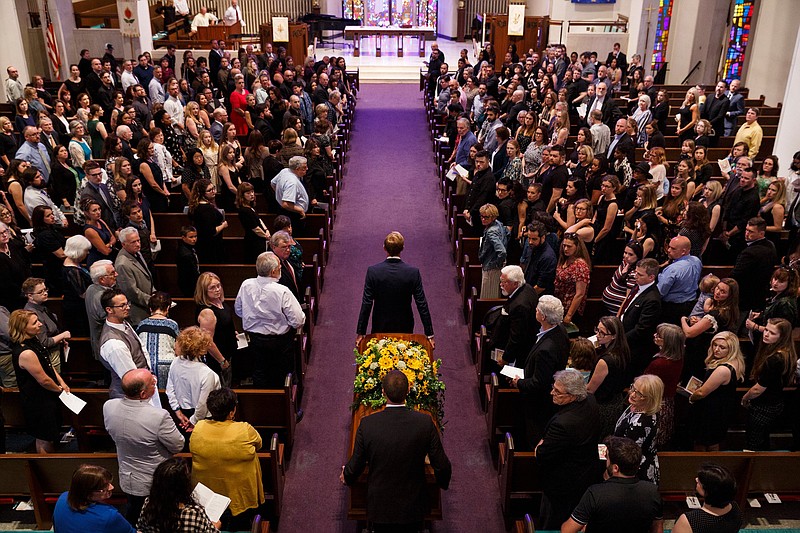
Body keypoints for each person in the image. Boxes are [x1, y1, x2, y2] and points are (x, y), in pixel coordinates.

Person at [342, 370, 451, 531]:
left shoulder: (367, 425)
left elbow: (356, 464)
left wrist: (347, 476)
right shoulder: (424, 423)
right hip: (413, 507)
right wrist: (442, 483)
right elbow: (442, 465)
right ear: (408, 391)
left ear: (383, 392)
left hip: (380, 508)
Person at [103, 368, 184, 525]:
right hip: (154, 481)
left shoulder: (109, 406)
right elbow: (178, 445)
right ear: (143, 394)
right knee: (156, 520)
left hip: (127, 477)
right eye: (152, 383)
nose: (155, 382)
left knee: (133, 513)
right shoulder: (158, 416)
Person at [534, 368, 602, 529]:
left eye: (557, 392)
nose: (552, 393)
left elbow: (541, 454)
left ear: (572, 396)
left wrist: (540, 445)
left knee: (553, 522)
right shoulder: (591, 401)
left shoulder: (563, 424)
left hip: (562, 484)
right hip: (584, 473)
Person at [191, 388, 264, 530]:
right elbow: (259, 444)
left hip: (208, 495)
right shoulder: (244, 430)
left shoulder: (199, 428)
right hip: (240, 495)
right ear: (232, 412)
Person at [562, 436, 663, 533]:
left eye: (608, 459)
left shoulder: (595, 493)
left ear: (615, 468)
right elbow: (657, 529)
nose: (606, 461)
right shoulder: (653, 492)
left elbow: (567, 530)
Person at [356, 231, 434, 346]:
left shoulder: (373, 272)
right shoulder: (413, 273)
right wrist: (429, 334)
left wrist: (361, 332)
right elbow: (421, 304)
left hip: (380, 324)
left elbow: (367, 303)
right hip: (405, 325)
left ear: (384, 248)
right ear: (402, 248)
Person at [511, 295, 570, 447]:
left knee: (529, 436)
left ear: (543, 316)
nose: (535, 311)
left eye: (537, 309)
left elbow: (539, 383)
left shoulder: (546, 349)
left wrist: (519, 383)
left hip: (537, 404)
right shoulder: (560, 330)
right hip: (542, 397)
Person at [9, 309, 69, 453]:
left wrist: (62, 382)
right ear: (23, 328)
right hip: (38, 401)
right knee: (44, 436)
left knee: (51, 433)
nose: (40, 324)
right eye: (35, 322)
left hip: (48, 395)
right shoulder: (26, 352)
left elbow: (48, 364)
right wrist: (59, 389)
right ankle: (47, 468)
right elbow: (43, 380)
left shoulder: (34, 340)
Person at [742, 318, 797, 450]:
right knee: (762, 439)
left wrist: (745, 398)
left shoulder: (774, 359)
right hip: (775, 402)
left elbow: (757, 389)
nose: (766, 334)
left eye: (772, 333)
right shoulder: (787, 352)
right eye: (766, 330)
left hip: (764, 406)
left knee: (753, 444)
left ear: (782, 337)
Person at [688, 331, 745, 451]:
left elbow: (701, 393)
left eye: (722, 347)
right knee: (712, 440)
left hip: (710, 411)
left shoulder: (723, 369)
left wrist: (691, 397)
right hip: (720, 409)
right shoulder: (736, 362)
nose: (716, 349)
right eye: (715, 345)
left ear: (731, 349)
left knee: (704, 443)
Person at [99, 289, 158, 403]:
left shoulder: (123, 323)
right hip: (133, 397)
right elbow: (131, 378)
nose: (127, 307)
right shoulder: (113, 344)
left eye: (127, 303)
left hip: (144, 386)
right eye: (122, 305)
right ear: (109, 310)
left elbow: (141, 349)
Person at [137, 457, 221, 532]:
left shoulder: (148, 504)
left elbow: (140, 529)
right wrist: (216, 526)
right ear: (184, 485)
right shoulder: (194, 513)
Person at [167, 326, 221, 432]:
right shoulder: (207, 374)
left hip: (182, 414)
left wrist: (178, 412)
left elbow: (170, 389)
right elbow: (203, 404)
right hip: (201, 419)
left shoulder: (176, 362)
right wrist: (192, 421)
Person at [53, 464, 135, 533]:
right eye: (104, 488)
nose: (111, 487)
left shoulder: (63, 497)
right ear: (87, 493)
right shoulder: (109, 516)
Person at [614, 374, 663, 484]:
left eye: (639, 393)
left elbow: (628, 454)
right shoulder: (637, 405)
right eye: (633, 388)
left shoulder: (641, 424)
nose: (632, 394)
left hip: (633, 470)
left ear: (650, 398)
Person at [644, 324, 684, 448]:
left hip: (655, 403)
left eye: (659, 336)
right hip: (667, 402)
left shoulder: (660, 364)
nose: (654, 336)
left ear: (668, 342)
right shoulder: (678, 357)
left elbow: (645, 385)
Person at [194, 272, 235, 387]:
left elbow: (222, 324)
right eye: (212, 287)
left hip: (228, 352)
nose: (217, 289)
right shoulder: (207, 312)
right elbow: (207, 341)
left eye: (219, 286)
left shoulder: (219, 302)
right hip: (217, 360)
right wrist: (222, 361)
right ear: (204, 290)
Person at [732, 217, 778, 319]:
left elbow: (736, 274)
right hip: (761, 293)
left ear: (761, 234)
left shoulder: (749, 253)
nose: (747, 234)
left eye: (751, 232)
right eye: (746, 230)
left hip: (746, 295)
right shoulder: (771, 245)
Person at [23, 276, 70, 374]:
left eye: (45, 290)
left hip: (54, 353)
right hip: (48, 357)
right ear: (30, 296)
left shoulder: (42, 307)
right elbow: (44, 342)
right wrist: (63, 335)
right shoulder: (32, 314)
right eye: (40, 292)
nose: (45, 293)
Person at [495, 265, 539, 368]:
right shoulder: (527, 287)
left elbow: (516, 336)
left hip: (521, 351)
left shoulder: (520, 306)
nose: (500, 285)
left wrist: (506, 358)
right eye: (501, 280)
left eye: (504, 282)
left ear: (515, 283)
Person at [136, 292, 180, 389]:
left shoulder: (142, 324)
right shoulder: (172, 324)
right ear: (168, 308)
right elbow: (178, 348)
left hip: (145, 367)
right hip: (166, 365)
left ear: (151, 309)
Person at [657, 236, 702, 325]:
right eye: (669, 247)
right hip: (691, 305)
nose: (669, 250)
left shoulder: (672, 269)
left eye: (673, 248)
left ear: (683, 251)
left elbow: (660, 292)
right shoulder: (697, 261)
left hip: (671, 309)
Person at [115, 227, 154, 327]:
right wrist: (153, 301)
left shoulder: (136, 252)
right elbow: (131, 292)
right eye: (133, 242)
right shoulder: (122, 264)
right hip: (137, 311)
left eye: (138, 240)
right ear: (123, 244)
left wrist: (154, 293)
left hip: (146, 305)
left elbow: (147, 276)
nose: (137, 244)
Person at [554, 233, 591, 326]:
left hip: (570, 309)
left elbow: (580, 294)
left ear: (577, 247)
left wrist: (569, 315)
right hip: (560, 304)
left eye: (569, 246)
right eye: (564, 246)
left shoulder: (580, 265)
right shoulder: (565, 259)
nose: (565, 249)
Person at [478, 203, 507, 298]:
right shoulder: (499, 224)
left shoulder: (491, 232)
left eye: (486, 217)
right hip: (494, 266)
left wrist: (496, 263)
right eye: (481, 216)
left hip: (491, 268)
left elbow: (502, 251)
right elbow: (508, 233)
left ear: (493, 217)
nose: (483, 219)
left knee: (488, 296)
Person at [176, 226, 200, 298]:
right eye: (191, 237)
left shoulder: (190, 248)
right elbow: (192, 273)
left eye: (195, 236)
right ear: (183, 237)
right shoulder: (185, 254)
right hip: (189, 284)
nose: (194, 239)